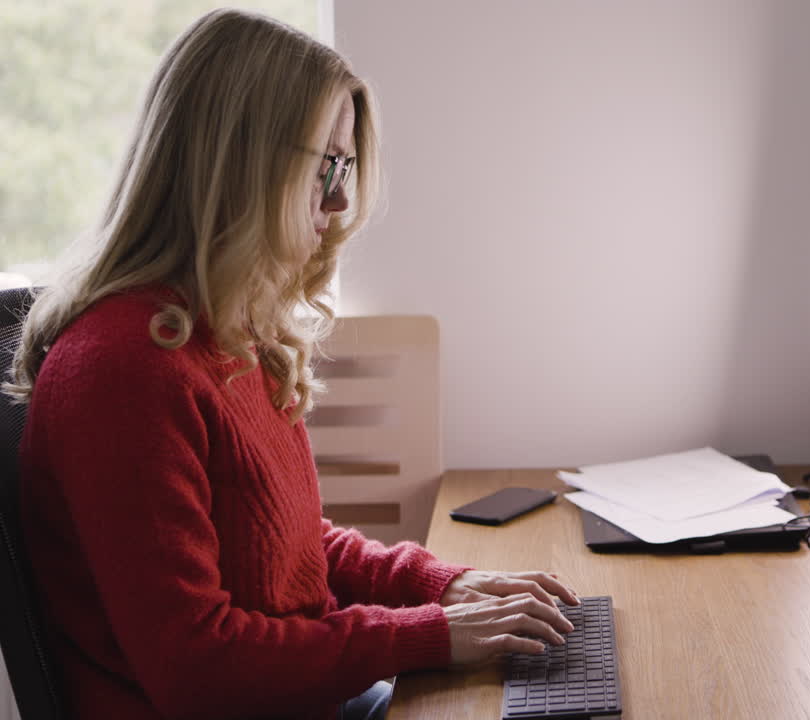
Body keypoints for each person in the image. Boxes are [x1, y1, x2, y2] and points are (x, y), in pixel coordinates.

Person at [4, 9, 577, 720]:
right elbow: (198, 666)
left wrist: (440, 587)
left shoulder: (222, 332)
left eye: (347, 167)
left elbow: (292, 550)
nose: (338, 204)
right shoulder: (123, 369)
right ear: (239, 164)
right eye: (324, 166)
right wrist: (425, 634)